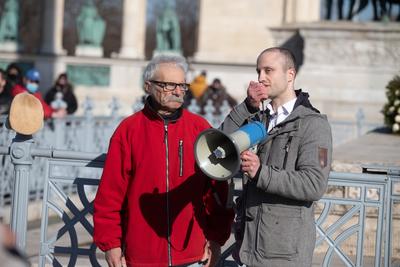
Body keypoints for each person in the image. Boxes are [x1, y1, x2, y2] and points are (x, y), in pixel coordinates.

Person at [93, 55, 234, 267]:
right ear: (148, 86)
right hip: (141, 255)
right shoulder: (128, 130)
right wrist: (111, 244)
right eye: (169, 85)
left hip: (193, 255)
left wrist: (215, 239)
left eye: (182, 85)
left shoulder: (199, 128)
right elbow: (111, 194)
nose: (178, 92)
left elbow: (217, 191)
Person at [220, 47, 332, 267]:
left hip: (284, 255)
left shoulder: (314, 125)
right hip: (248, 248)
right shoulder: (257, 118)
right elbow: (218, 148)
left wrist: (261, 173)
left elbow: (314, 184)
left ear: (290, 74)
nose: (260, 78)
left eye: (268, 70)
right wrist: (246, 107)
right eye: (258, 71)